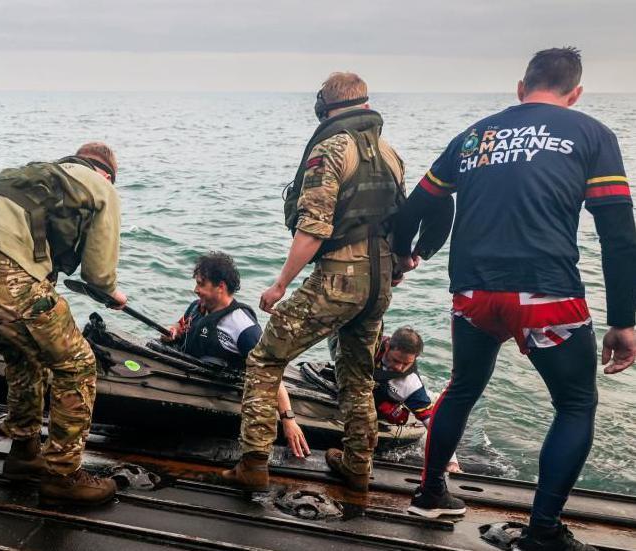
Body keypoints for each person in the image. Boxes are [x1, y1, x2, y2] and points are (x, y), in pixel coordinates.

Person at [394, 47, 636, 551]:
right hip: (546, 293)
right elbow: (618, 234)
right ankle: (543, 530)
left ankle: (430, 492)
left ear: (521, 88)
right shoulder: (591, 133)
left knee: (462, 386)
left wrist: (402, 256)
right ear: (576, 93)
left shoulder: (475, 135)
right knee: (574, 404)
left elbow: (418, 204)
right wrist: (625, 320)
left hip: (473, 292)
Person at [221, 72, 405, 493]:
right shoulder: (391, 153)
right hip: (379, 283)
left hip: (339, 279)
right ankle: (358, 464)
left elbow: (313, 229)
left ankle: (253, 462)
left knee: (266, 359)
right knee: (358, 374)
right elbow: (402, 222)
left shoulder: (330, 149)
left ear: (325, 104)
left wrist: (280, 284)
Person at [0, 142, 127, 506]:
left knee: (24, 355)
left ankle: (24, 452)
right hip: (3, 275)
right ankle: (63, 474)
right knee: (78, 364)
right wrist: (111, 294)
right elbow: (99, 274)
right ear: (107, 173)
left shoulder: (40, 178)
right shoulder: (100, 186)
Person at [164, 251, 311, 457]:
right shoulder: (198, 308)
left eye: (201, 284)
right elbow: (181, 327)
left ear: (221, 287)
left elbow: (270, 372)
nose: (196, 289)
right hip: (186, 378)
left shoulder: (242, 326)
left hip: (220, 392)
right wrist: (173, 332)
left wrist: (288, 419)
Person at [330, 327, 462, 472]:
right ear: (387, 347)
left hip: (382, 402)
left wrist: (452, 462)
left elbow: (432, 423)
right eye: (396, 360)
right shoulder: (370, 346)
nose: (399, 368)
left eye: (406, 364)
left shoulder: (410, 383)